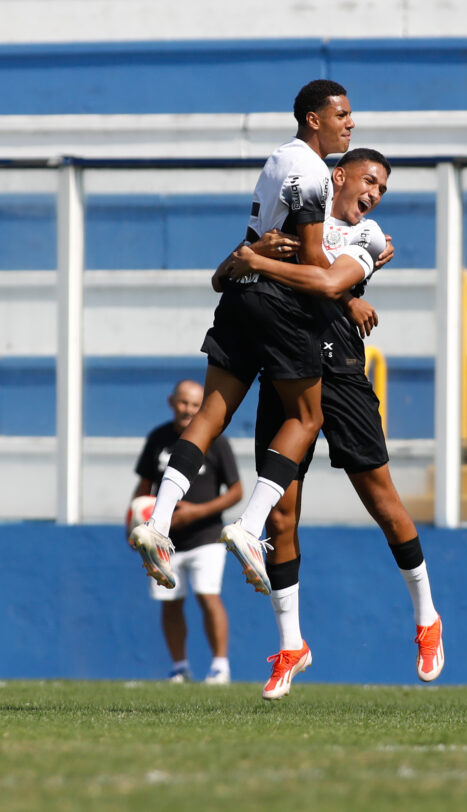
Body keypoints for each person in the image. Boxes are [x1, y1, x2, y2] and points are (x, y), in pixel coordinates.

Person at [129, 79, 380, 596]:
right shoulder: (312, 172)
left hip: (239, 298)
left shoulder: (274, 161)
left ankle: (157, 521)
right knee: (307, 416)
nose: (349, 123)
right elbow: (312, 259)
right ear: (314, 118)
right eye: (342, 115)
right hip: (279, 305)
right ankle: (249, 526)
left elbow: (247, 248)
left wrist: (237, 270)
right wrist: (348, 291)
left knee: (210, 414)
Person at [227, 148, 444, 700]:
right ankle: (291, 646)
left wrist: (261, 263)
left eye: (383, 188)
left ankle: (427, 616)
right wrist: (260, 260)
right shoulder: (307, 219)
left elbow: (323, 282)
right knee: (282, 515)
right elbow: (302, 266)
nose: (375, 193)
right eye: (369, 179)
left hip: (339, 366)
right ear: (337, 176)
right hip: (287, 361)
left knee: (383, 502)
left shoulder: (369, 236)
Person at [130, 379, 243, 683]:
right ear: (172, 402)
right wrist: (135, 525)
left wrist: (197, 512)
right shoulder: (158, 438)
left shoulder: (216, 440)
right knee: (170, 601)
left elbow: (236, 491)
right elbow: (143, 489)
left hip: (207, 536)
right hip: (166, 541)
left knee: (208, 595)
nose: (189, 409)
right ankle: (179, 667)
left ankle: (220, 666)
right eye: (183, 403)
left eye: (195, 404)